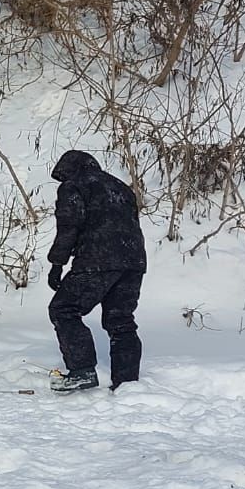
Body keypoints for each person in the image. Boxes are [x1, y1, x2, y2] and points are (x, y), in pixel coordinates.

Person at [45, 150, 147, 393]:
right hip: (134, 261)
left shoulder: (76, 185)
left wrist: (57, 263)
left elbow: (69, 226)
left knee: (63, 309)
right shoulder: (121, 187)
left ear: (71, 169)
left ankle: (82, 371)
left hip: (97, 259)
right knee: (120, 320)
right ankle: (126, 384)